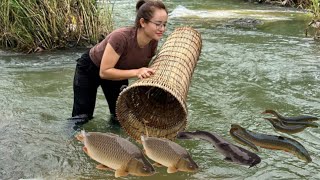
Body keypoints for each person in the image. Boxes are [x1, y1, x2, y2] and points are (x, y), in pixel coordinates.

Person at [68, 0, 168, 127]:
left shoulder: (153, 41)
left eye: (165, 24)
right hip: (90, 69)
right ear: (143, 22)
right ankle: (69, 143)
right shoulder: (121, 37)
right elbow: (104, 72)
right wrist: (137, 72)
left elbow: (144, 68)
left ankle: (113, 143)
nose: (162, 29)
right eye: (158, 24)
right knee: (82, 117)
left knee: (119, 117)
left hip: (118, 73)